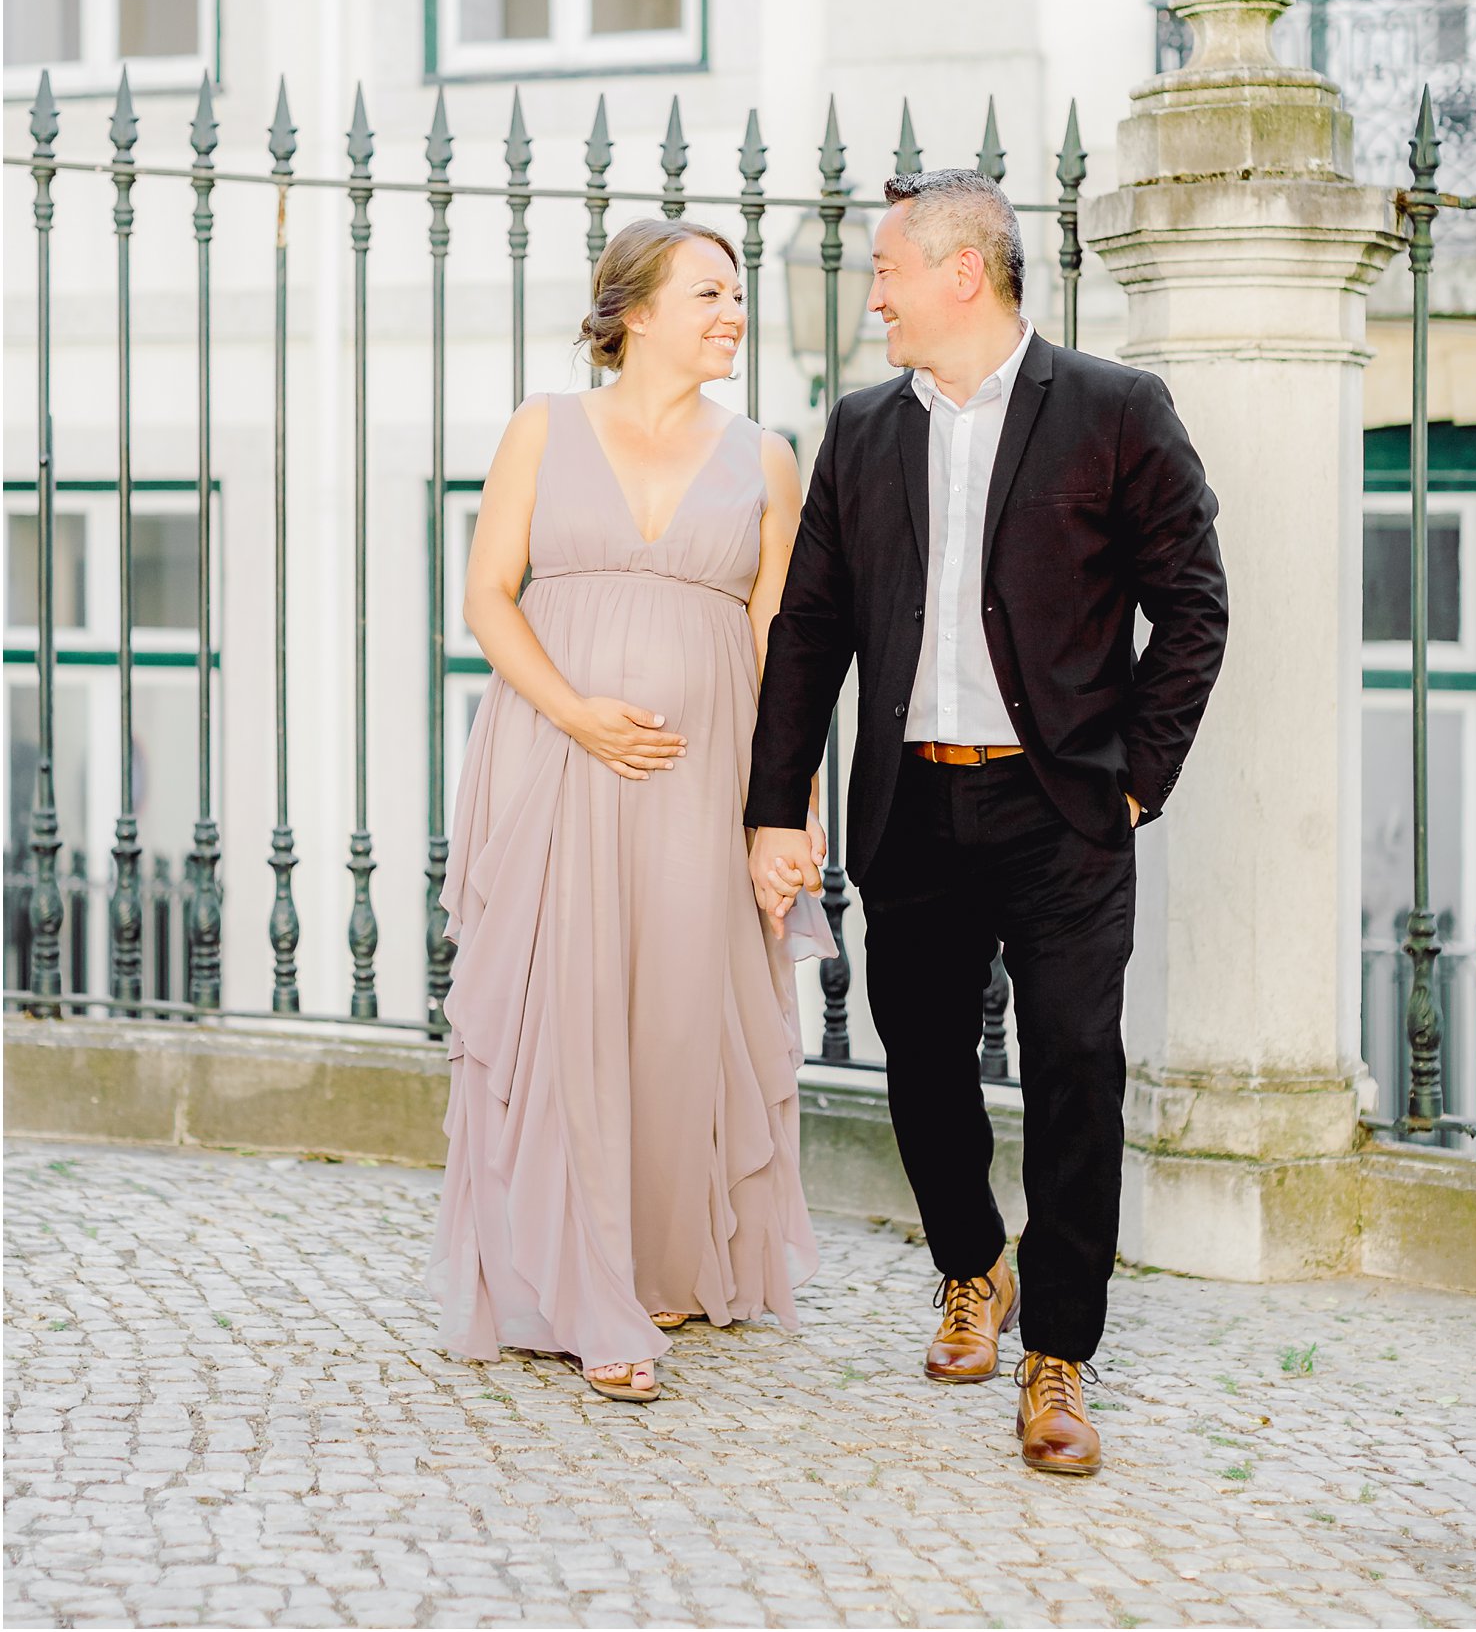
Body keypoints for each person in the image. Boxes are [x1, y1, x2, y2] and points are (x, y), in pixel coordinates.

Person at [744, 167, 1227, 1475]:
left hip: (1064, 804)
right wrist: (770, 805)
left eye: (890, 270)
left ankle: (1059, 1357)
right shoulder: (861, 430)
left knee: (1076, 1068)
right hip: (913, 802)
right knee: (919, 1062)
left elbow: (1193, 605)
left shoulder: (1116, 413)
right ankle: (972, 1264)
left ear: (965, 271)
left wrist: (1133, 773)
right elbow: (811, 633)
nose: (875, 296)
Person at [427, 218, 831, 1403]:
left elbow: (781, 652)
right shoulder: (542, 429)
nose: (731, 313)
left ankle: (652, 1257)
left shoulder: (765, 457)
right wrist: (575, 711)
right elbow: (489, 598)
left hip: (704, 780)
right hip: (555, 755)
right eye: (708, 292)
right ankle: (585, 1292)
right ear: (636, 310)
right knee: (565, 1007)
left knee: (673, 1016)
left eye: (737, 294)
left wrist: (783, 815)